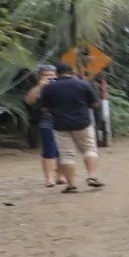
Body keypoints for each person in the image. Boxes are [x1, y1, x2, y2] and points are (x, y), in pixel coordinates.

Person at [31, 62, 104, 192]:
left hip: (61, 125)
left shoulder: (50, 88)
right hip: (83, 123)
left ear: (57, 73)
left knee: (67, 155)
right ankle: (91, 176)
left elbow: (43, 107)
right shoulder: (83, 84)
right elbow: (94, 103)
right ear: (72, 72)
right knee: (89, 149)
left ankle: (71, 185)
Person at [26, 64, 59, 186]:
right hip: (47, 122)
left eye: (52, 75)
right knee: (49, 150)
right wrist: (40, 86)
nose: (50, 78)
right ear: (40, 77)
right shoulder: (38, 88)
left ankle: (60, 176)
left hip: (63, 121)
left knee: (62, 150)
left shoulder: (61, 85)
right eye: (46, 76)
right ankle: (49, 178)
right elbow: (29, 100)